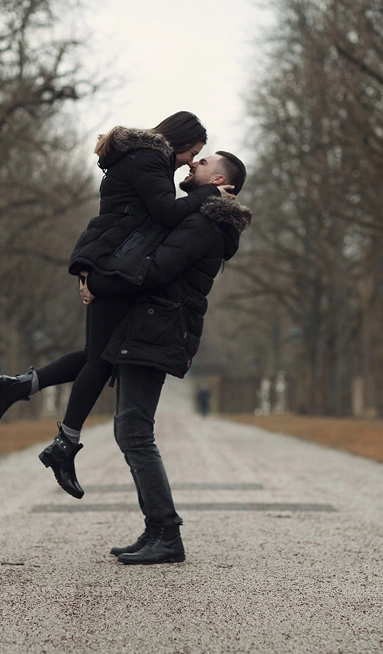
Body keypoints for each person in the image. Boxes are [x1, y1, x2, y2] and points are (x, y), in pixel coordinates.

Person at [0, 112, 234, 500]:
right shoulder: (149, 160)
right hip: (114, 266)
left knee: (97, 355)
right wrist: (210, 196)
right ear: (180, 141)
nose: (189, 161)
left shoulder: (150, 159)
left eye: (199, 158)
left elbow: (144, 221)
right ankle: (62, 443)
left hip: (114, 265)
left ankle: (20, 390)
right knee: (100, 360)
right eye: (193, 153)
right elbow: (164, 215)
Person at [80, 151, 250, 564]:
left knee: (135, 431)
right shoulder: (201, 218)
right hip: (154, 327)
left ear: (219, 178)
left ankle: (167, 534)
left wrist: (101, 284)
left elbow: (156, 270)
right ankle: (155, 528)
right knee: (130, 430)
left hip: (157, 329)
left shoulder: (204, 222)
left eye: (204, 161)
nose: (194, 164)